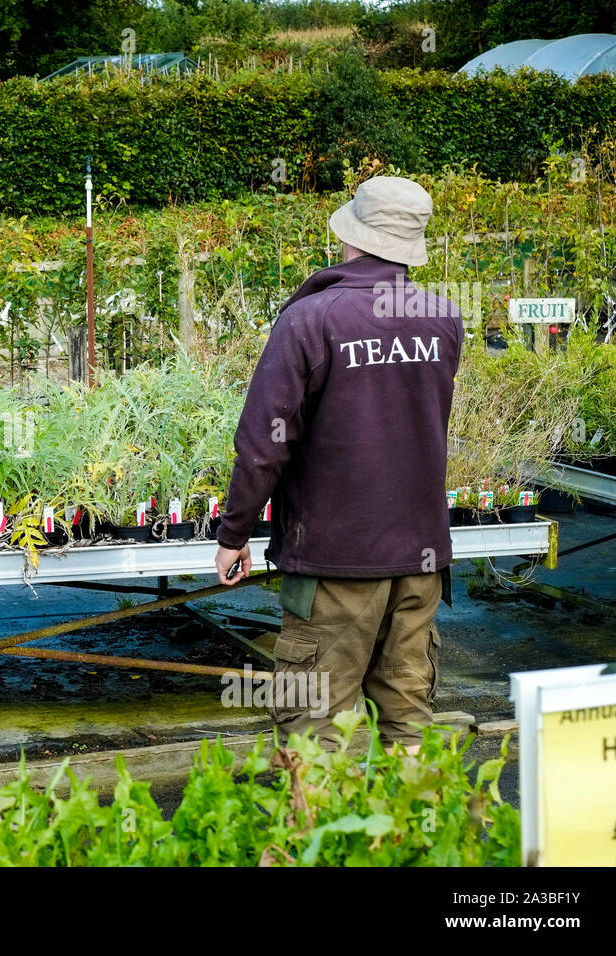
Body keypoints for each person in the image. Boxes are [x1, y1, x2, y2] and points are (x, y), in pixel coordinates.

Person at [212, 175, 463, 755]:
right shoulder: (443, 319)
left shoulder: (311, 319)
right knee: (409, 723)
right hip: (420, 561)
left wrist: (235, 534)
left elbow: (263, 443)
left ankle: (330, 843)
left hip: (336, 564)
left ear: (350, 235)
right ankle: (419, 838)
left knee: (316, 729)